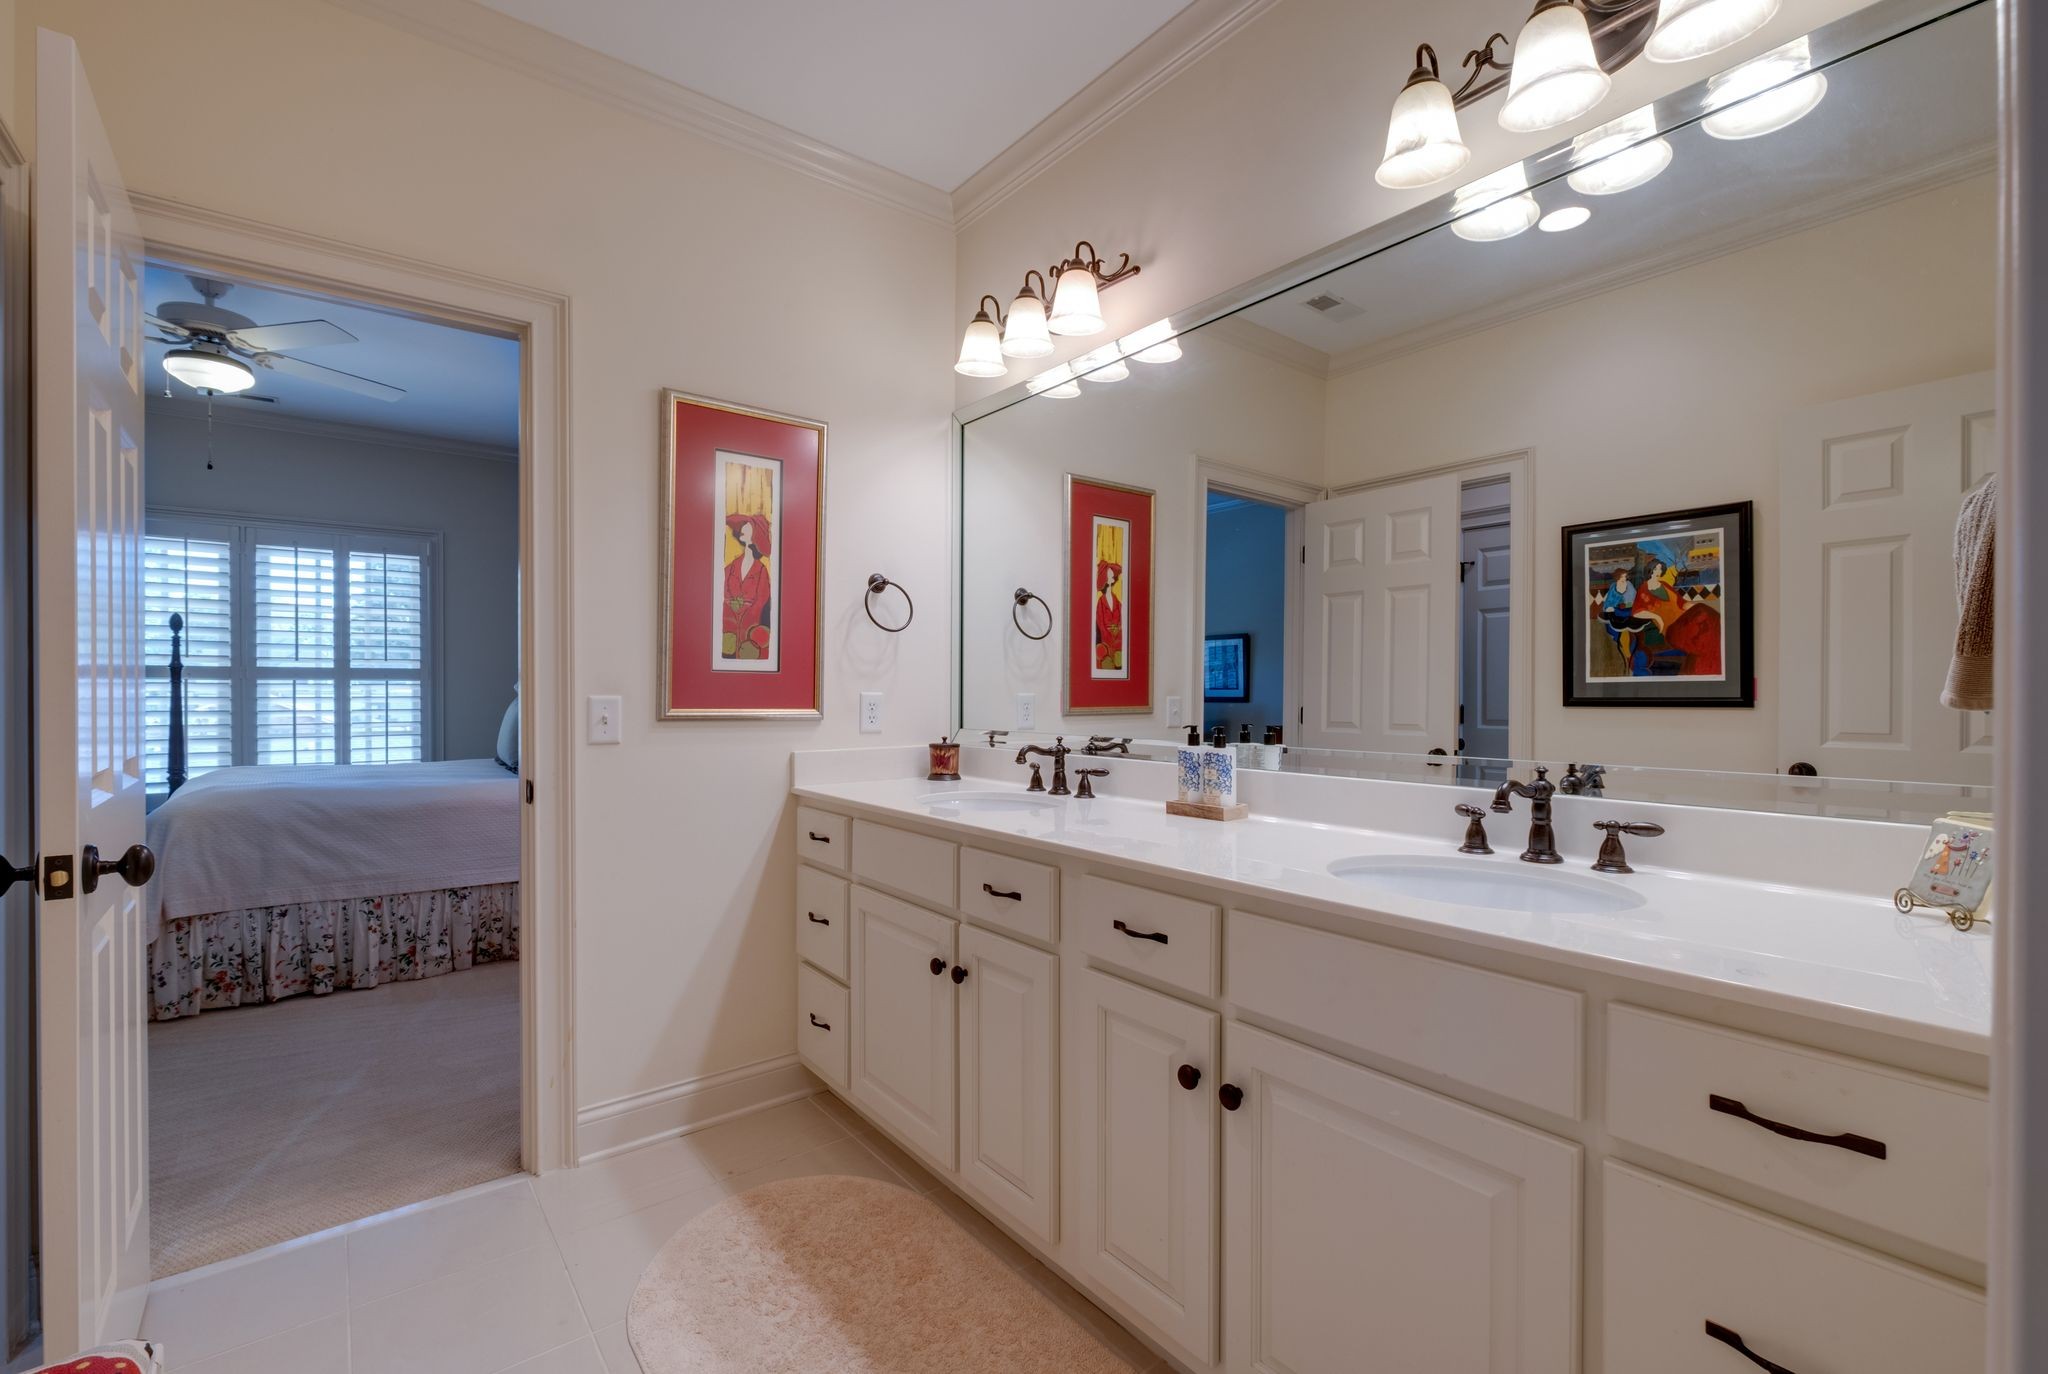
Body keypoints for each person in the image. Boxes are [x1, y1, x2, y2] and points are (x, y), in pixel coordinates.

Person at [722, 513, 773, 661]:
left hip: (751, 639)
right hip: (728, 636)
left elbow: (762, 603)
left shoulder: (762, 571)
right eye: (743, 525)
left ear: (756, 535)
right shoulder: (730, 567)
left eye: (749, 526)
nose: (743, 528)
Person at [1094, 558, 1123, 671]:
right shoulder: (1100, 603)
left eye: (1112, 574)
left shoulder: (1118, 602)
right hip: (1105, 646)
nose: (1112, 576)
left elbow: (1121, 622)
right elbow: (1100, 626)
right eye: (1109, 574)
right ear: (1105, 579)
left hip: (1118, 645)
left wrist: (1117, 633)